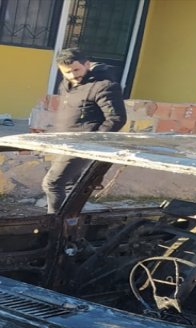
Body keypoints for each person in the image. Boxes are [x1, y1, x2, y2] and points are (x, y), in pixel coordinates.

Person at [42, 48, 127, 213]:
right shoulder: (66, 84)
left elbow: (116, 119)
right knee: (70, 186)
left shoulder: (104, 85)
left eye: (76, 70)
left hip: (83, 145)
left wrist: (92, 141)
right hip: (64, 142)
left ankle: (54, 222)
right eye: (67, 72)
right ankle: (70, 220)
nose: (73, 75)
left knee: (52, 183)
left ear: (87, 64)